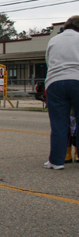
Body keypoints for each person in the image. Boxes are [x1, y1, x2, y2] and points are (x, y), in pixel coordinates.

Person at [43, 15, 79, 170]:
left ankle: (57, 161)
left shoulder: (54, 40)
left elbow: (48, 61)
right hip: (77, 79)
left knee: (59, 123)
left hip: (55, 81)